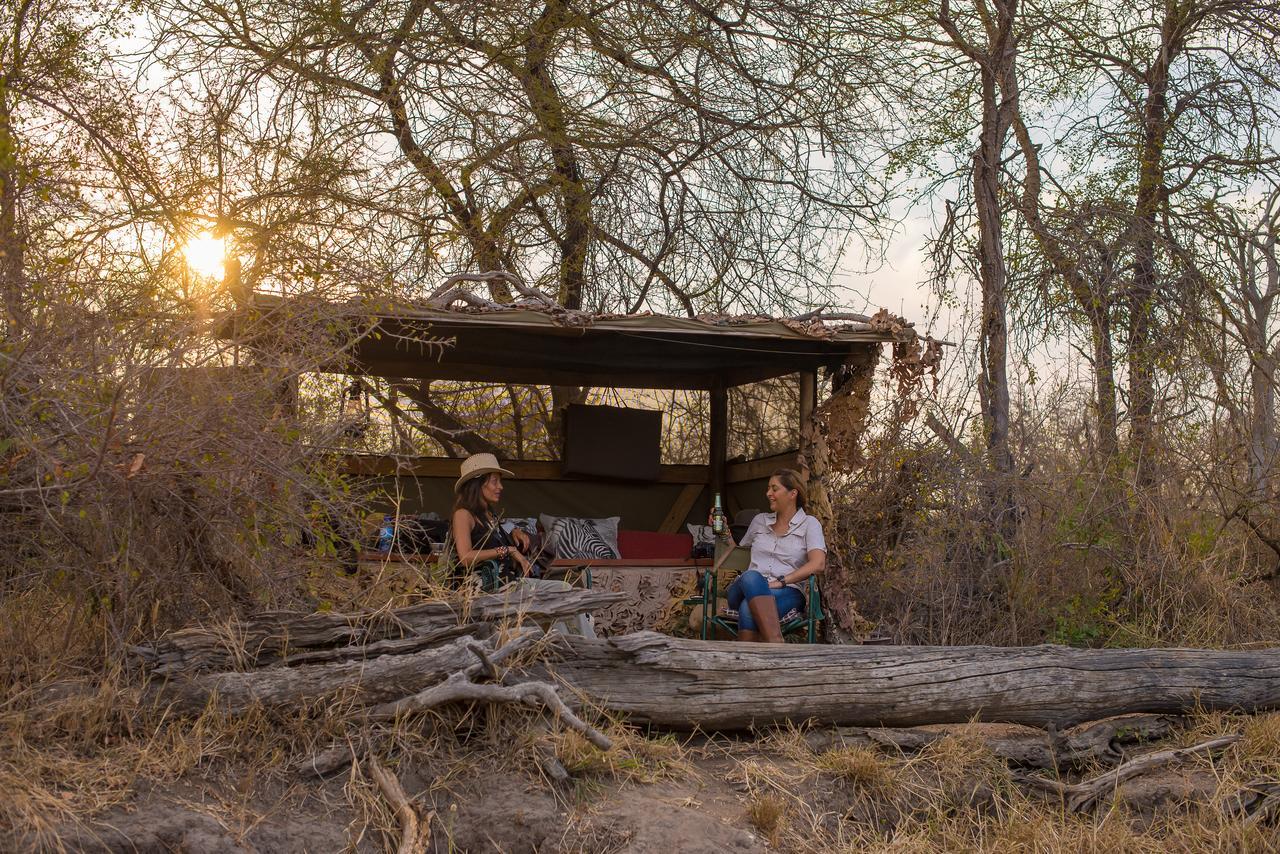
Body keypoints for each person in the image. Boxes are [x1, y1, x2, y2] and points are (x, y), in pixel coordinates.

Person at [719, 469, 825, 643]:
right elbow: (736, 552)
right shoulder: (760, 521)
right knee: (751, 577)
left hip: (787, 592)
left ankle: (747, 662)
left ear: (793, 493)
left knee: (747, 608)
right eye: (768, 488)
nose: (768, 493)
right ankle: (776, 644)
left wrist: (782, 581)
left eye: (774, 489)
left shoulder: (809, 524)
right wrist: (724, 532)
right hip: (745, 587)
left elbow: (818, 563)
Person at [450, 453, 535, 586]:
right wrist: (507, 550)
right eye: (495, 481)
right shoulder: (463, 514)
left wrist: (513, 529)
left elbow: (495, 529)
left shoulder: (489, 514)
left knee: (561, 587)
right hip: (483, 587)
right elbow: (465, 558)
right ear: (477, 485)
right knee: (561, 588)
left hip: (507, 582)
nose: (500, 487)